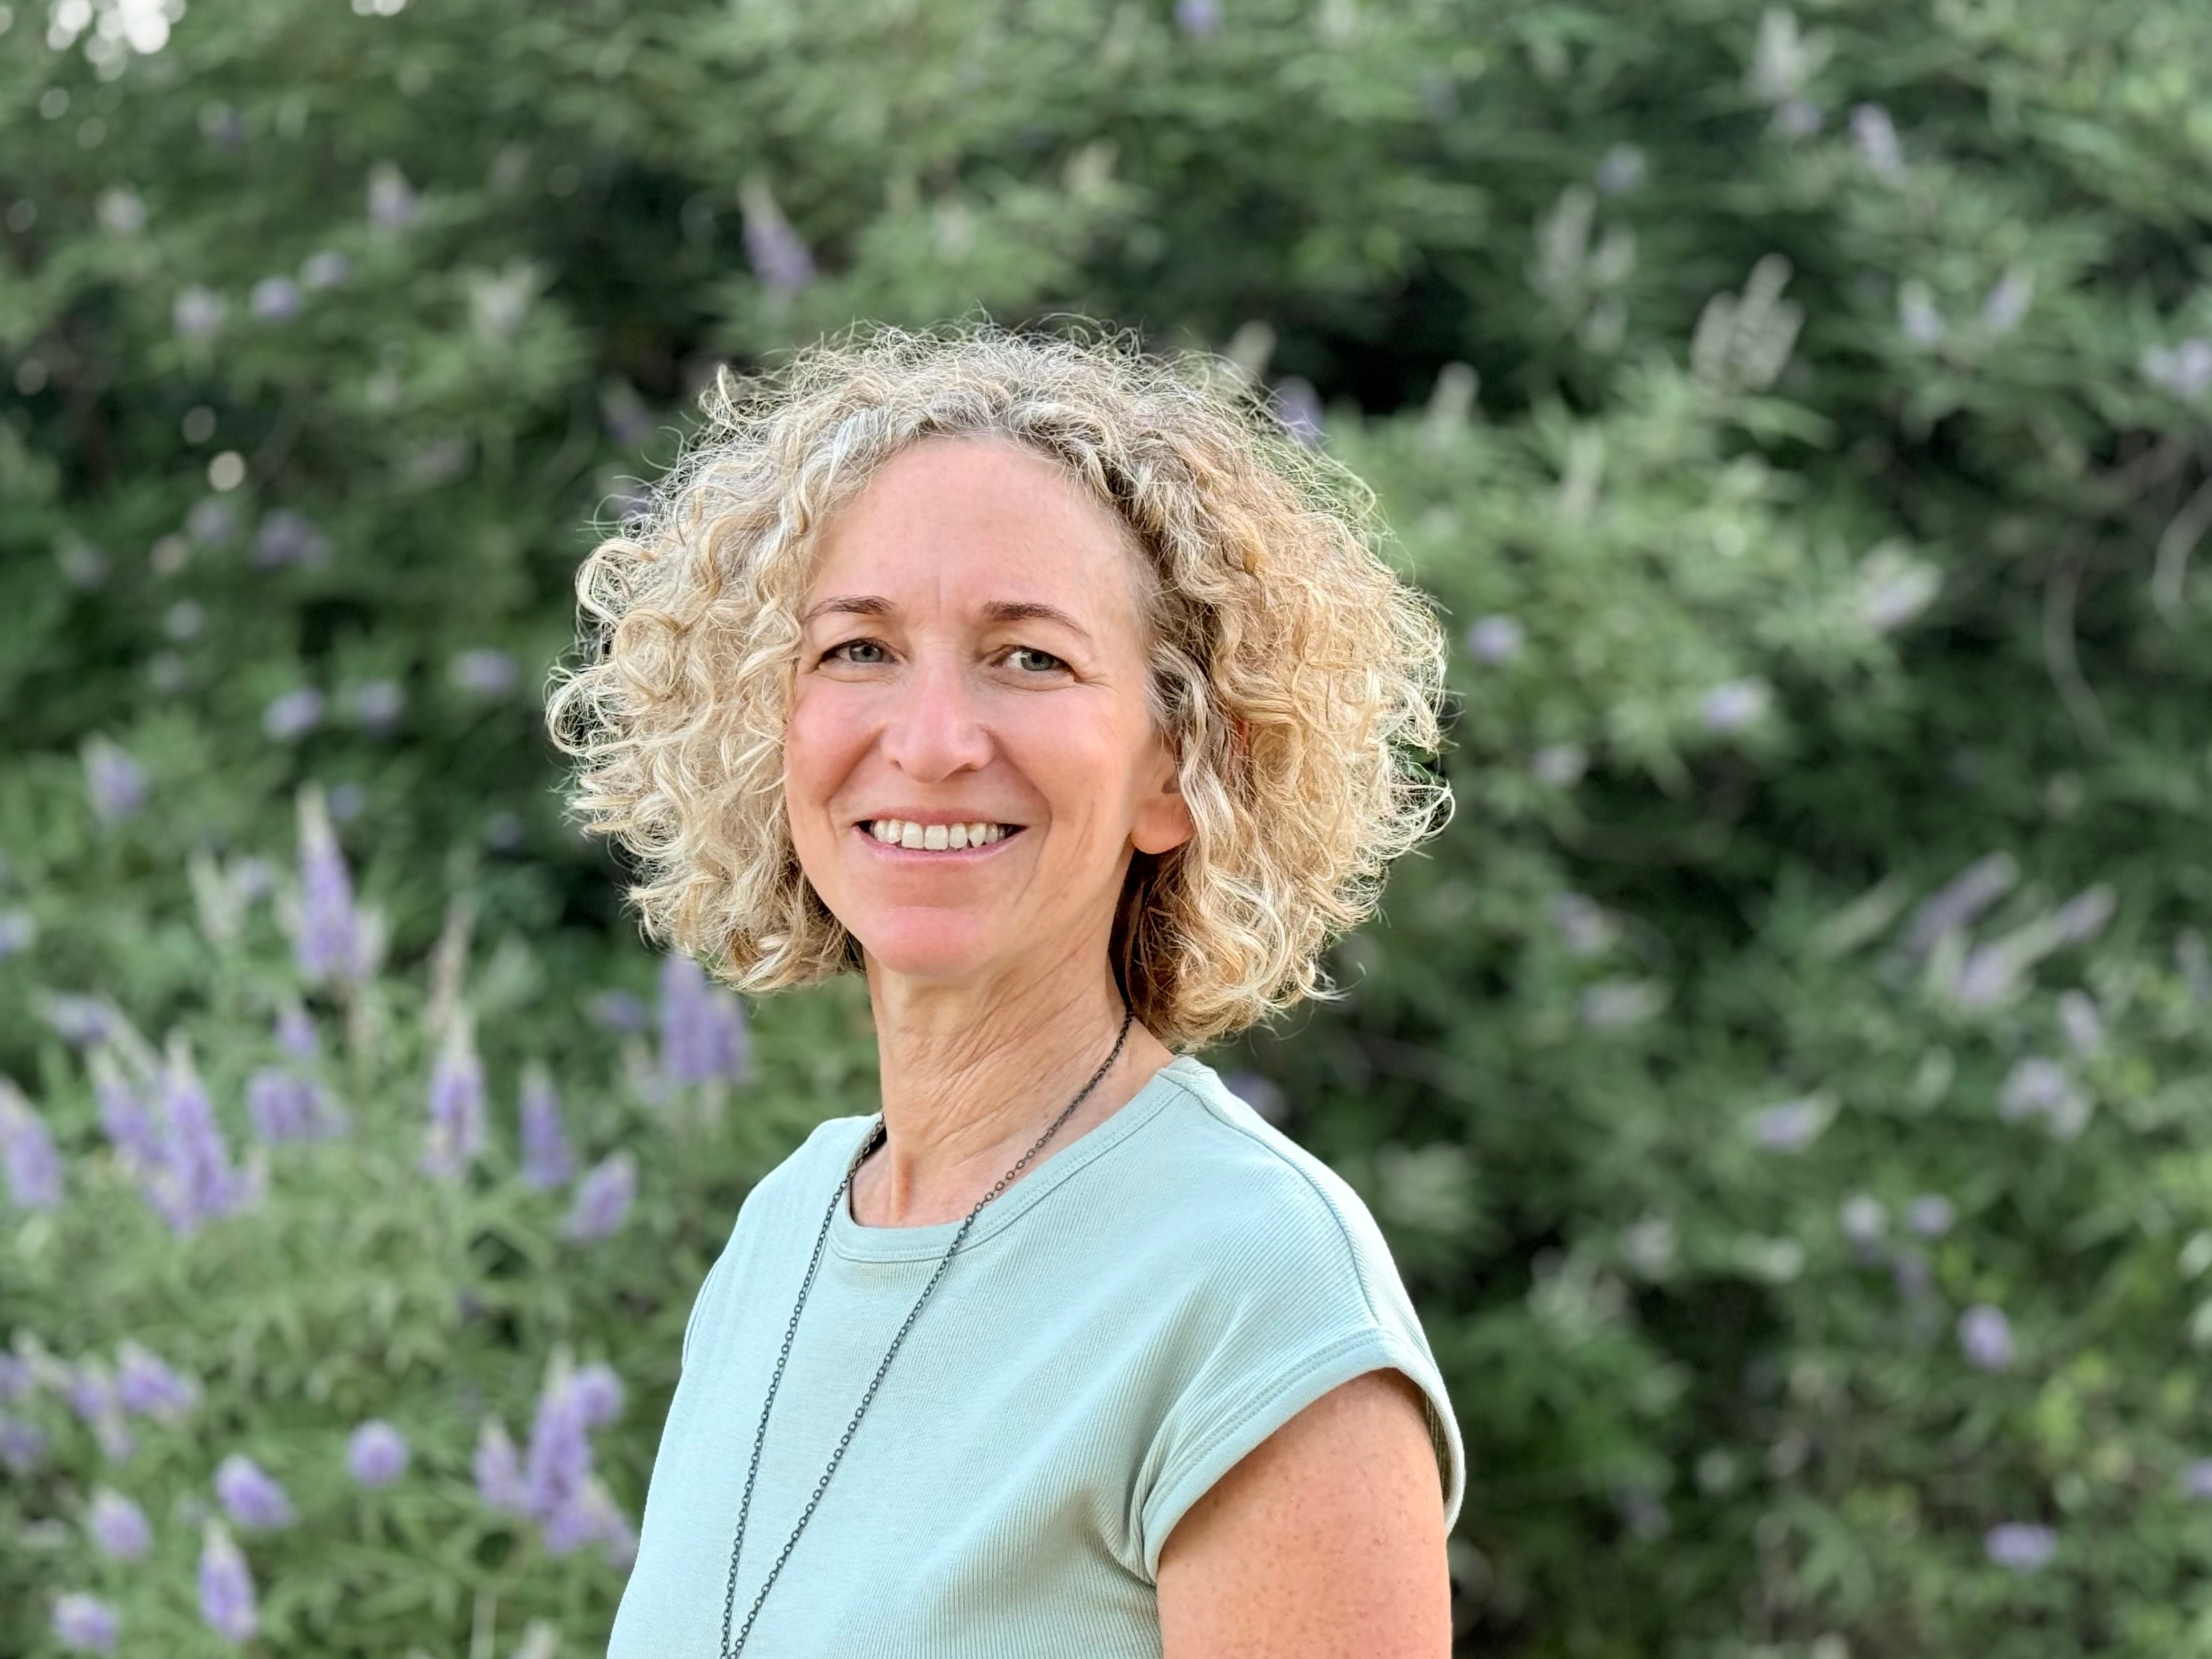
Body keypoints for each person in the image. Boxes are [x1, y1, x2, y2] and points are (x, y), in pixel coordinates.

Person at [549, 320, 1464, 1657]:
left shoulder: (1260, 1293)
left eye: (1029, 657)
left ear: (1178, 770)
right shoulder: (781, 1236)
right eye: (857, 649)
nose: (930, 743)